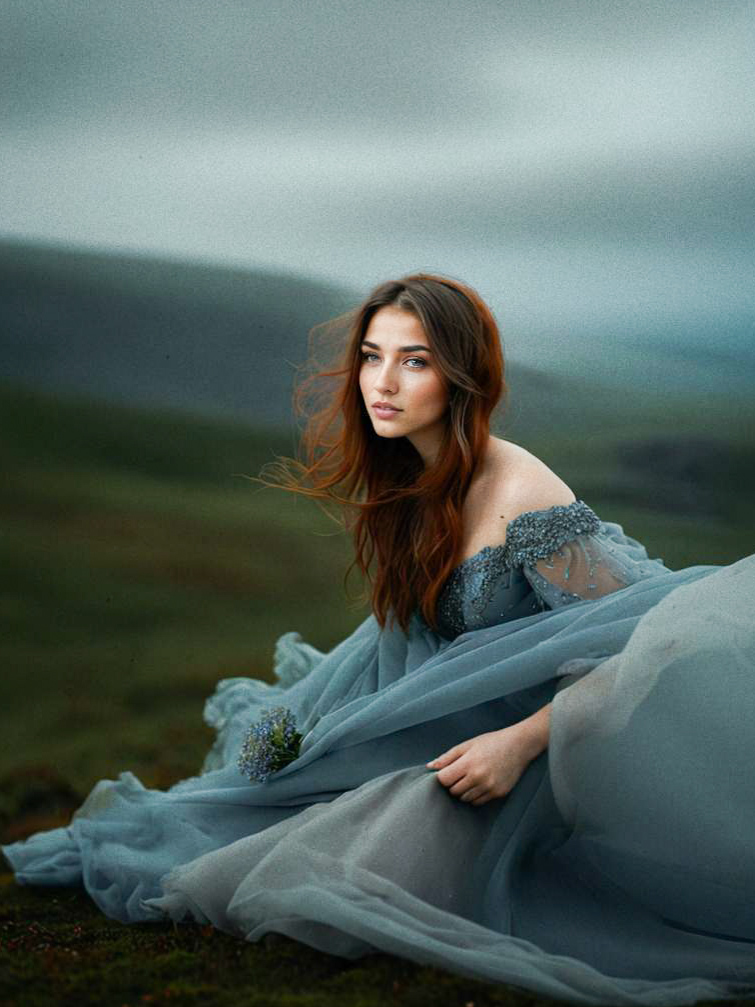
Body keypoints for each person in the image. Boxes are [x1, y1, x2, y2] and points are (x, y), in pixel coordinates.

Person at [3, 274, 754, 1006]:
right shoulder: (409, 481)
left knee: (327, 857)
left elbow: (646, 641)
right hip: (438, 731)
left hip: (532, 758)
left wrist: (519, 743)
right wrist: (294, 735)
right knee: (241, 796)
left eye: (414, 359)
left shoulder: (525, 493)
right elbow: (389, 643)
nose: (382, 381)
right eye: (371, 355)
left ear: (463, 377)